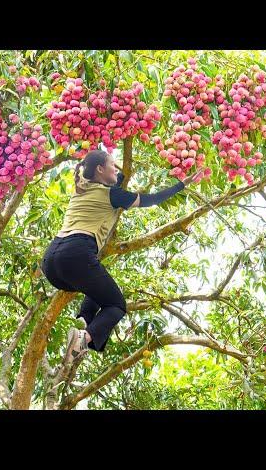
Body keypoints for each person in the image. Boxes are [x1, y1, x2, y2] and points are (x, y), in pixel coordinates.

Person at [40, 148, 203, 367]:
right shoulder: (112, 196)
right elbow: (151, 199)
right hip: (76, 254)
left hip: (51, 263)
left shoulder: (81, 191)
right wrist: (182, 184)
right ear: (100, 169)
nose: (116, 170)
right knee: (116, 305)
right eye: (112, 166)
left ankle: (83, 322)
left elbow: (114, 183)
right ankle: (84, 337)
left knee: (96, 289)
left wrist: (120, 169)